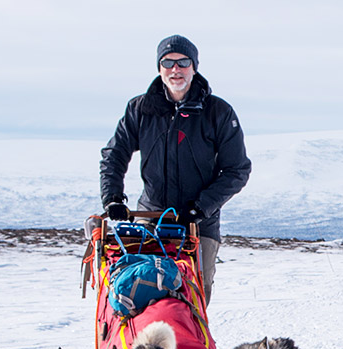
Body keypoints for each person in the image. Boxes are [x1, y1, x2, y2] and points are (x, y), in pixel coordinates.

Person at [100, 35, 250, 303]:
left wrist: (200, 207)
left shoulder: (218, 112)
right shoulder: (140, 109)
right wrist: (112, 197)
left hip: (199, 222)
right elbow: (115, 154)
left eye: (183, 62)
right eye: (168, 63)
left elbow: (237, 170)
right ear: (159, 68)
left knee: (193, 298)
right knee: (139, 292)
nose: (175, 69)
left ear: (194, 67)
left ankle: (189, 344)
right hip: (150, 216)